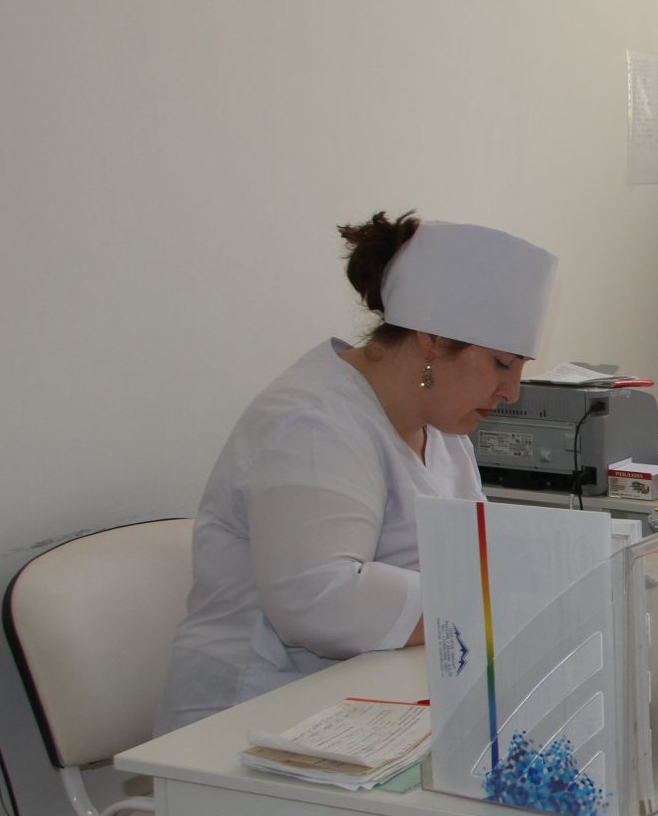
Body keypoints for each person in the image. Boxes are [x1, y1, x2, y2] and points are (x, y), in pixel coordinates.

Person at [156, 212, 558, 734]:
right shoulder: (313, 423)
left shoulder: (442, 430)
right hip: (247, 723)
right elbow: (320, 601)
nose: (512, 392)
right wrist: (487, 597)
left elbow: (469, 559)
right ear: (432, 340)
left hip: (366, 705)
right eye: (502, 364)